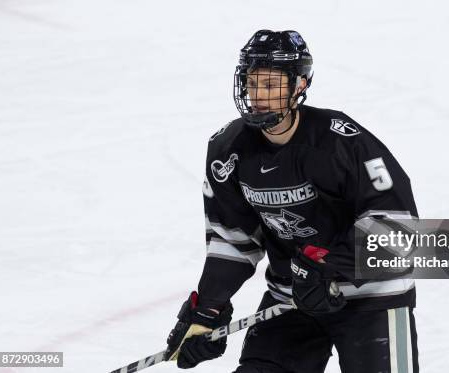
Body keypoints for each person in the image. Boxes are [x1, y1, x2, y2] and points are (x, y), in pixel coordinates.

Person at [165, 29, 419, 373]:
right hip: (292, 299)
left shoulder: (341, 142)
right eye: (252, 84)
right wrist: (209, 308)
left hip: (371, 297)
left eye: (270, 86)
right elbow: (234, 239)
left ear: (299, 85)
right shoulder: (229, 151)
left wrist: (329, 267)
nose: (258, 96)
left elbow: (398, 228)